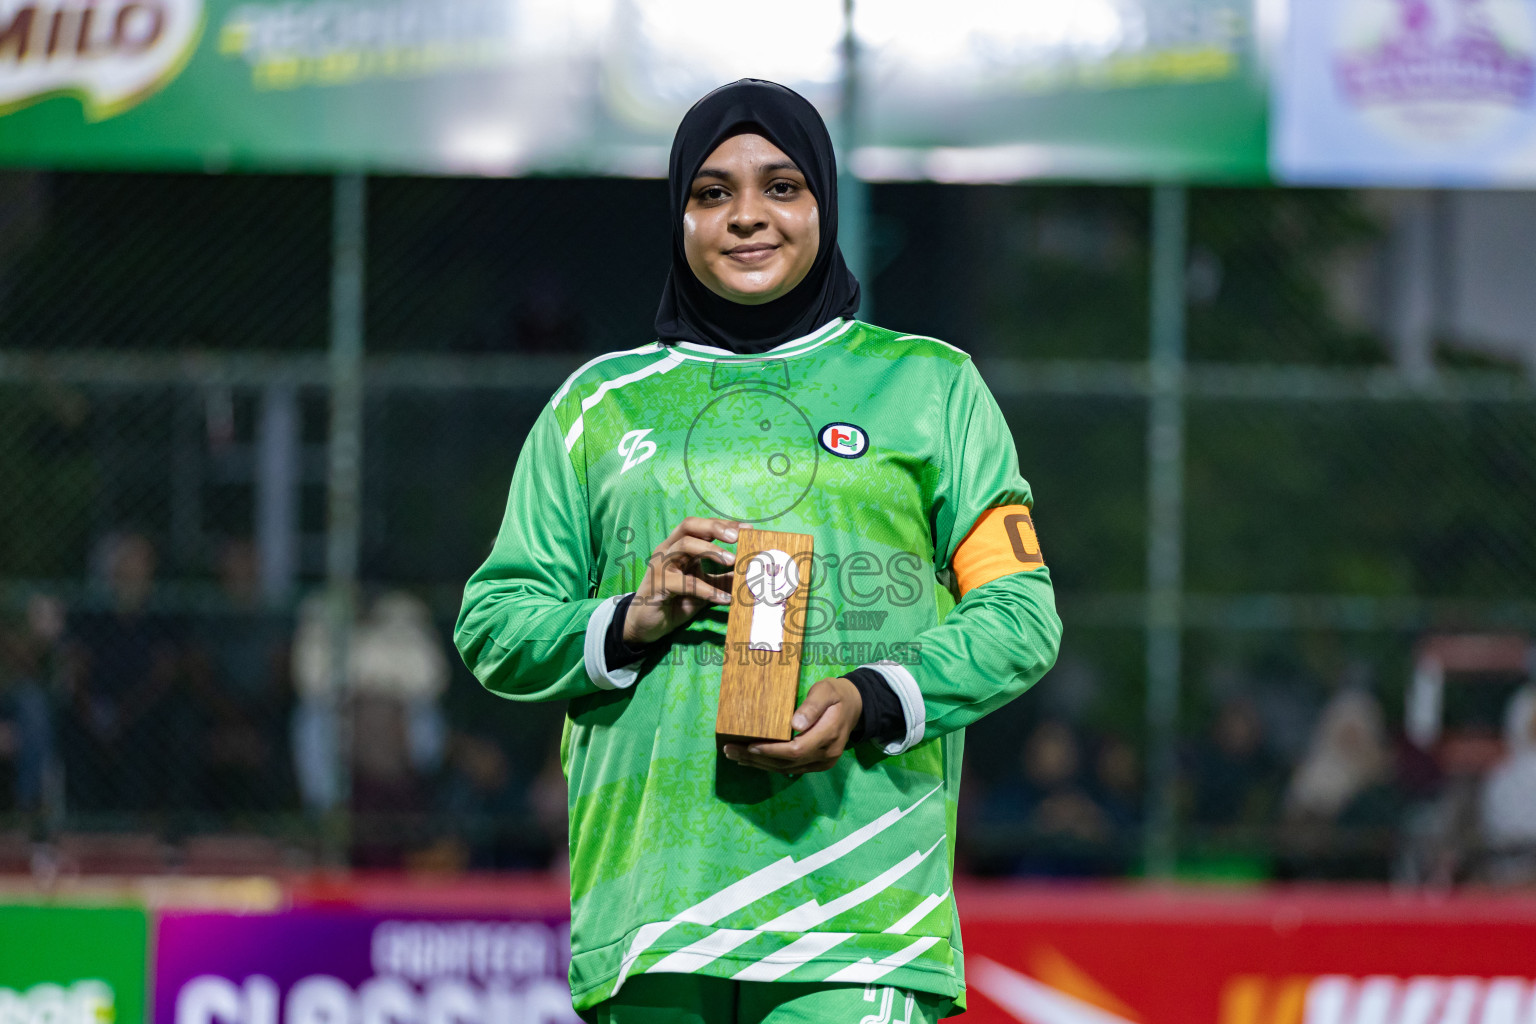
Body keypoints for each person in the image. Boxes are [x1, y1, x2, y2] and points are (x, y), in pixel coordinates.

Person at [456, 79, 1062, 1024]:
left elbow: (1019, 615)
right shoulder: (597, 406)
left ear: (823, 199)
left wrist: (871, 697)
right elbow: (495, 624)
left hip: (860, 919)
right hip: (653, 919)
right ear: (679, 216)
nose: (747, 216)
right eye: (712, 192)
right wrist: (631, 619)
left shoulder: (930, 389)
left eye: (782, 187)